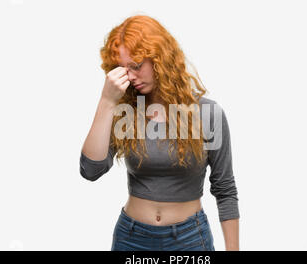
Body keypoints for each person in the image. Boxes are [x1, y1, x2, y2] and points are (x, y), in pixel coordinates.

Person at [79, 15, 240, 251]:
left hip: (189, 240)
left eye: (136, 65)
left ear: (160, 59)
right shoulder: (125, 112)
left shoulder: (207, 113)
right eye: (123, 69)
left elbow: (225, 188)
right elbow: (91, 171)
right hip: (132, 238)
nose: (131, 76)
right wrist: (106, 101)